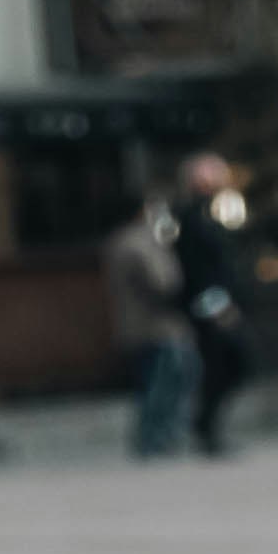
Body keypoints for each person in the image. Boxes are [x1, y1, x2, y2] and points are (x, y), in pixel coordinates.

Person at [170, 151, 254, 458]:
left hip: (222, 300)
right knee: (223, 362)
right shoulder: (189, 217)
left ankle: (207, 425)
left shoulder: (213, 213)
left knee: (231, 364)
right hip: (210, 306)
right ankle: (206, 427)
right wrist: (218, 305)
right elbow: (196, 269)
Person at [102, 180, 191, 458]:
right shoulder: (137, 242)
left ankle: (155, 438)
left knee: (152, 385)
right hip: (155, 327)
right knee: (160, 386)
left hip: (140, 327)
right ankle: (155, 439)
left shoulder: (119, 242)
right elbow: (163, 282)